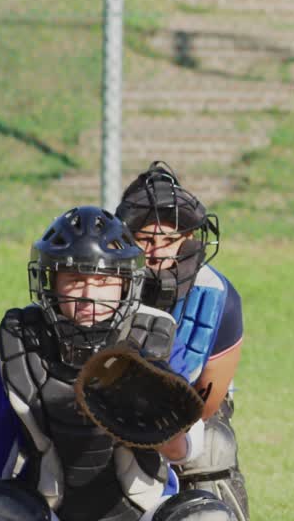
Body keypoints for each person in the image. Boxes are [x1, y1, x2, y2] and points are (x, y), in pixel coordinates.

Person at [0, 205, 235, 520]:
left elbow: (186, 449)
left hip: (144, 509)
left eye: (103, 280)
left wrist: (154, 421)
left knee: (206, 517)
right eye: (75, 279)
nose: (88, 294)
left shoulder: (152, 336)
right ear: (50, 282)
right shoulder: (22, 344)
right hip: (49, 509)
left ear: (126, 284)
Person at [115, 163, 247, 521]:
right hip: (104, 400)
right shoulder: (101, 283)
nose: (158, 251)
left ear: (188, 237)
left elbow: (207, 401)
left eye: (170, 239)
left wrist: (162, 427)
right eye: (145, 239)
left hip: (182, 409)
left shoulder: (217, 296)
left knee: (213, 447)